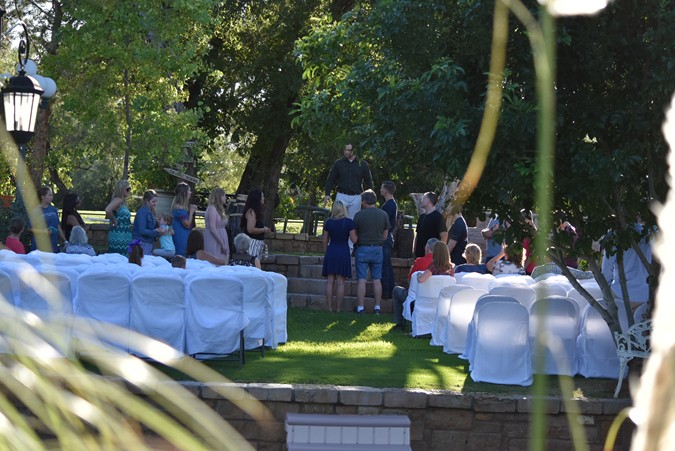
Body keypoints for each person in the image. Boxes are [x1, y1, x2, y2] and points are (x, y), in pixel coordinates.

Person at [352, 189, 389, 314]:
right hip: (378, 248)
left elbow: (354, 235)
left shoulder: (358, 215)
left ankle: (360, 307)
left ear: (365, 201)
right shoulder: (383, 214)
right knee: (376, 279)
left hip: (362, 248)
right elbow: (385, 236)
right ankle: (377, 307)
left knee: (362, 279)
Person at [601, 222, 653, 308]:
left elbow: (606, 269)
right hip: (646, 294)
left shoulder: (615, 237)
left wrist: (608, 286)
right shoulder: (650, 236)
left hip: (620, 293)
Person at [391, 238, 439, 329]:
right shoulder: (442, 265)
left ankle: (399, 322)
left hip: (416, 297)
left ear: (428, 249)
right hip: (435, 299)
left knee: (397, 290)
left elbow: (410, 281)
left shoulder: (419, 262)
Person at [324, 143, 373, 220]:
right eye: (345, 150)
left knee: (352, 221)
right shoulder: (338, 163)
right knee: (338, 218)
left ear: (354, 151)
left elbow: (368, 181)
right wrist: (327, 194)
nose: (346, 152)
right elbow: (330, 179)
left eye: (349, 150)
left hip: (356, 197)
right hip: (341, 195)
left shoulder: (363, 164)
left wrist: (370, 197)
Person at [321, 201, 356, 312]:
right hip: (343, 251)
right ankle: (339, 308)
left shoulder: (329, 222)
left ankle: (329, 308)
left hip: (331, 250)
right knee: (341, 282)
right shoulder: (349, 222)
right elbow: (354, 239)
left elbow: (325, 241)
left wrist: (327, 252)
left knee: (330, 281)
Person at [30, 186, 66, 252]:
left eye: (52, 195)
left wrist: (65, 241)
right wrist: (43, 232)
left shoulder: (53, 209)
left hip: (53, 244)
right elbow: (30, 228)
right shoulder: (35, 211)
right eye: (49, 195)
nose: (52, 197)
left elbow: (57, 226)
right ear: (42, 197)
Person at [413, 192, 447, 258]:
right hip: (419, 256)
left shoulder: (438, 217)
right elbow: (417, 235)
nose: (421, 200)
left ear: (429, 200)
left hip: (432, 257)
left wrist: (439, 254)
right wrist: (414, 250)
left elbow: (444, 236)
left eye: (424, 198)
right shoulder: (421, 217)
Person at [133, 189, 164, 256]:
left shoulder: (150, 212)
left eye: (156, 201)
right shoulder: (143, 212)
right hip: (140, 244)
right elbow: (142, 230)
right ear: (146, 201)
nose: (155, 204)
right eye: (153, 201)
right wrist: (156, 232)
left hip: (148, 243)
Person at [380, 181, 398, 299]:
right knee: (386, 264)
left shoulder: (389, 205)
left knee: (385, 265)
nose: (380, 189)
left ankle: (386, 291)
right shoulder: (390, 204)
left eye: (382, 188)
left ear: (386, 190)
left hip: (385, 238)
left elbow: (385, 223)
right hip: (387, 238)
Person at [105, 179, 133, 256]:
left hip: (125, 235)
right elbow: (108, 210)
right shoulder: (118, 200)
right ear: (121, 189)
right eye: (127, 189)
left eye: (130, 189)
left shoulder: (122, 202)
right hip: (119, 235)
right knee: (120, 259)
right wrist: (114, 221)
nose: (129, 191)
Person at [240, 189, 270, 260]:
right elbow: (250, 229)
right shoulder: (252, 212)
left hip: (257, 243)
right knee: (253, 263)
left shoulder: (255, 211)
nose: (263, 198)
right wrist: (264, 229)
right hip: (252, 243)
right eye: (262, 196)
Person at [204, 187, 230, 264]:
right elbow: (212, 228)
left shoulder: (220, 209)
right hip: (215, 240)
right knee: (215, 261)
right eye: (224, 195)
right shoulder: (212, 209)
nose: (225, 198)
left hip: (222, 237)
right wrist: (222, 243)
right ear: (219, 196)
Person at [171, 182, 197, 257]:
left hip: (184, 235)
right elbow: (187, 225)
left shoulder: (181, 207)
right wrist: (191, 212)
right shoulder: (179, 208)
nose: (190, 192)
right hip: (181, 236)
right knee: (182, 256)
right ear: (184, 193)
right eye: (189, 190)